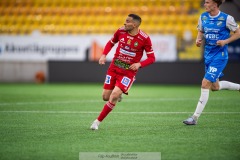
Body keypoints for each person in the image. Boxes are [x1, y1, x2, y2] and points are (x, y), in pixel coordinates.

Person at [90, 14, 155, 130]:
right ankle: (118, 96)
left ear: (134, 24)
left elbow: (152, 58)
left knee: (114, 95)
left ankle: (97, 122)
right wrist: (104, 55)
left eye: (127, 21)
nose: (124, 23)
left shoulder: (144, 38)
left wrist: (140, 64)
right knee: (105, 97)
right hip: (114, 68)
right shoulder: (120, 31)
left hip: (128, 73)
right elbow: (111, 42)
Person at [183, 0, 240, 125]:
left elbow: (238, 33)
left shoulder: (227, 18)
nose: (205, 4)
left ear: (215, 4)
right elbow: (201, 31)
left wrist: (225, 42)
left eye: (207, 2)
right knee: (215, 87)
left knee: (205, 83)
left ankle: (194, 118)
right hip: (208, 55)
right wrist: (198, 40)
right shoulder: (203, 16)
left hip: (219, 56)